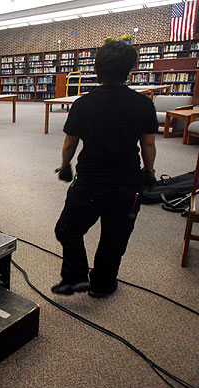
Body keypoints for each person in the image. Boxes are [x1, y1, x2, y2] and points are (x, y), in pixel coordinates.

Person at [52, 41, 158, 298]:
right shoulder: (143, 104)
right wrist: (149, 172)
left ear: (98, 70)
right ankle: (103, 284)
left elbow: (70, 143)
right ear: (129, 70)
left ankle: (75, 276)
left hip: (89, 182)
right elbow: (148, 144)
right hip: (127, 184)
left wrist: (65, 166)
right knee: (115, 237)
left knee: (67, 229)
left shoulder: (83, 104)